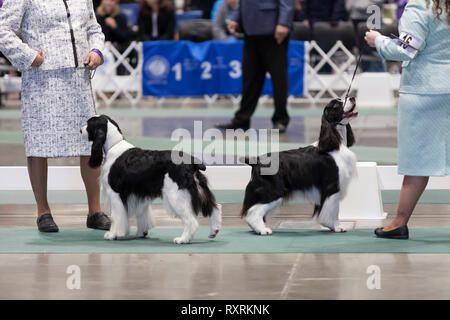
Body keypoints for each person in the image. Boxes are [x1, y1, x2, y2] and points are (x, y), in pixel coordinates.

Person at [0, 0, 111, 232]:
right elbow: (3, 29)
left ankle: (95, 210)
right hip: (42, 79)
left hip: (79, 79)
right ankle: (43, 212)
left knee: (90, 145)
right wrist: (28, 56)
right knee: (38, 145)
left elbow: (94, 28)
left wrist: (96, 51)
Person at [365, 0, 450, 239]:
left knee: (417, 161)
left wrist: (378, 41)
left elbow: (406, 50)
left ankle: (399, 223)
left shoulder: (419, 6)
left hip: (425, 92)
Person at [216, 0, 295, 133]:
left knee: (278, 77)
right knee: (249, 78)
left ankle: (280, 119)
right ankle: (242, 119)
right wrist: (236, 19)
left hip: (273, 27)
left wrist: (283, 22)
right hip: (250, 28)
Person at [346, 0, 385, 72]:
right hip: (355, 18)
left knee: (373, 51)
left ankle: (377, 76)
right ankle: (365, 75)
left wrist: (360, 4)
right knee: (361, 52)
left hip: (373, 16)